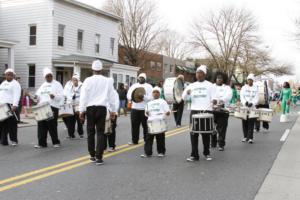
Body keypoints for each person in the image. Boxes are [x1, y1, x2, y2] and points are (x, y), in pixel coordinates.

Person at [79, 60, 117, 165]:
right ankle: (99, 157)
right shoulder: (107, 81)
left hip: (90, 108)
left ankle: (92, 155)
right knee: (101, 132)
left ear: (92, 69)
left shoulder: (87, 80)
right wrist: (113, 110)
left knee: (90, 132)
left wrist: (81, 110)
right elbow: (111, 96)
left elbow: (83, 96)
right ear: (101, 69)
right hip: (102, 108)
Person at [182, 65, 215, 162]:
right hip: (195, 111)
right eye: (197, 73)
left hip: (206, 111)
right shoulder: (191, 86)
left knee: (206, 134)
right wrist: (187, 94)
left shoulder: (210, 85)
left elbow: (214, 98)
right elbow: (184, 98)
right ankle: (194, 155)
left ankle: (207, 153)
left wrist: (215, 101)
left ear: (204, 74)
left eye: (201, 73)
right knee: (193, 134)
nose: (198, 75)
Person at [34, 68, 64, 148]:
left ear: (52, 76)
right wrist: (36, 97)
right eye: (47, 76)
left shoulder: (57, 84)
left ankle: (55, 142)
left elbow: (61, 96)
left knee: (52, 125)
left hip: (52, 107)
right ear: (45, 77)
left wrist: (54, 96)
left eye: (50, 76)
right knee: (41, 125)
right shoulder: (43, 85)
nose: (49, 77)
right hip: (42, 107)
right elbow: (38, 95)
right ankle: (42, 143)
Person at [141, 86, 171, 158]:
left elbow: (168, 110)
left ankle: (161, 152)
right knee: (148, 138)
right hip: (151, 121)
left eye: (157, 92)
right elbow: (146, 112)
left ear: (159, 94)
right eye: (154, 92)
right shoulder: (149, 103)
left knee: (160, 137)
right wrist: (147, 113)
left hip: (160, 120)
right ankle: (148, 153)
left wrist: (167, 113)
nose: (155, 93)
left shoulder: (162, 101)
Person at [126, 73, 153, 145]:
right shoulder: (134, 86)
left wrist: (143, 97)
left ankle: (146, 140)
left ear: (145, 79)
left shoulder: (149, 87)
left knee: (145, 126)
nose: (141, 79)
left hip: (145, 109)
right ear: (138, 78)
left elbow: (151, 98)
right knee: (134, 125)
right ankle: (134, 140)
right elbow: (128, 95)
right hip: (135, 108)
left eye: (142, 78)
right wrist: (134, 97)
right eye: (140, 77)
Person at [211, 72, 232, 151]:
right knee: (212, 128)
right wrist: (213, 100)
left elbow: (228, 96)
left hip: (223, 111)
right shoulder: (211, 86)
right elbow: (210, 95)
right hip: (212, 110)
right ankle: (213, 142)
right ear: (215, 79)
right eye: (217, 78)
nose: (219, 79)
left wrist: (221, 101)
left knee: (222, 129)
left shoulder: (227, 88)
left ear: (223, 79)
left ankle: (221, 144)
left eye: (220, 78)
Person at [0, 68, 21, 146]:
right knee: (2, 124)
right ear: (5, 75)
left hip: (11, 105)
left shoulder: (15, 84)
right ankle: (3, 140)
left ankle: (14, 140)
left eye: (11, 75)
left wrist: (15, 105)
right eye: (7, 74)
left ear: (13, 75)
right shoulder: (3, 83)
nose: (9, 76)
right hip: (2, 105)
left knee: (12, 124)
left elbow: (17, 94)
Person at [240, 73, 259, 144]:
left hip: (252, 108)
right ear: (247, 80)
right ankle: (245, 137)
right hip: (245, 107)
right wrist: (245, 102)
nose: (249, 81)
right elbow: (241, 96)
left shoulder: (255, 88)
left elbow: (256, 97)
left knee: (251, 122)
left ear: (253, 81)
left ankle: (250, 138)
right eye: (248, 80)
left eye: (251, 80)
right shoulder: (244, 88)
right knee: (244, 122)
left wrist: (252, 103)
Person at [64, 74, 83, 139]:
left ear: (78, 80)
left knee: (79, 120)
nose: (74, 81)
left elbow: (83, 96)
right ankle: (71, 134)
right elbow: (66, 94)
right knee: (70, 120)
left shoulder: (81, 86)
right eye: (73, 80)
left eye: (75, 80)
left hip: (78, 105)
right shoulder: (69, 86)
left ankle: (81, 133)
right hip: (71, 105)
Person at [105, 87, 119, 152]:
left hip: (112, 112)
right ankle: (103, 146)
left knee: (111, 130)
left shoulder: (113, 92)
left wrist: (113, 112)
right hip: (104, 112)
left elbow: (116, 103)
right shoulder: (102, 91)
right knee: (103, 130)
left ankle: (111, 146)